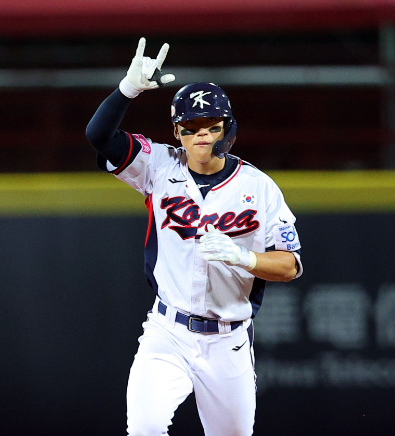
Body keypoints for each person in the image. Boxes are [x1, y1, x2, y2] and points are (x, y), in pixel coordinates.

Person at [85, 38, 303, 436]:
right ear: (177, 132)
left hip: (228, 341)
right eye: (190, 128)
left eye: (211, 126)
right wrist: (126, 91)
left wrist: (244, 258)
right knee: (145, 429)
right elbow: (99, 135)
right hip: (167, 332)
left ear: (227, 129)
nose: (201, 135)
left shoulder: (259, 186)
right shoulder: (158, 166)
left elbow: (289, 265)